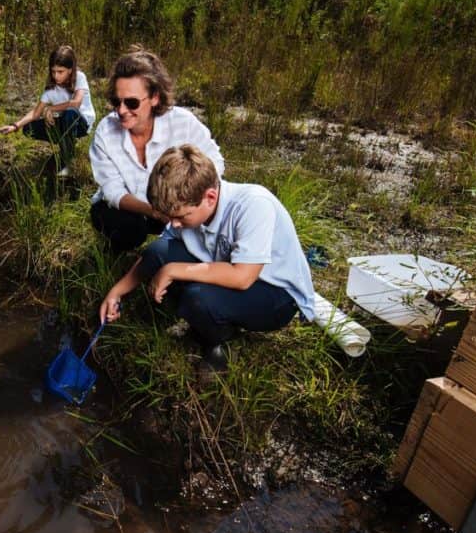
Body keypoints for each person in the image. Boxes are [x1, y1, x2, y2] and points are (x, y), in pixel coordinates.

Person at [99, 144, 315, 376]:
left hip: (275, 295)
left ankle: (219, 342)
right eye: (170, 217)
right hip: (226, 267)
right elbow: (158, 253)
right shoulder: (188, 210)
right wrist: (116, 292)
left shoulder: (253, 206)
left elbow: (243, 277)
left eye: (180, 217)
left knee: (198, 298)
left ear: (210, 197)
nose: (174, 224)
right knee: (159, 251)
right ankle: (200, 317)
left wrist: (174, 270)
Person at [89, 47, 225, 252]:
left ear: (155, 97)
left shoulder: (182, 122)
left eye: (132, 103)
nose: (122, 110)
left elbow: (215, 163)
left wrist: (186, 196)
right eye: (117, 102)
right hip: (131, 209)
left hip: (175, 206)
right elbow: (112, 191)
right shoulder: (106, 131)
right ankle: (114, 257)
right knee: (128, 229)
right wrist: (153, 211)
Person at [0, 45, 96, 177]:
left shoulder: (79, 77)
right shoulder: (51, 90)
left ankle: (68, 162)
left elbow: (76, 103)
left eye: (60, 72)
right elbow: (36, 113)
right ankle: (65, 145)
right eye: (53, 71)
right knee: (29, 128)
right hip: (64, 123)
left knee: (70, 112)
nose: (56, 76)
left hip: (81, 123)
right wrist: (15, 126)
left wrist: (51, 109)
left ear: (70, 70)